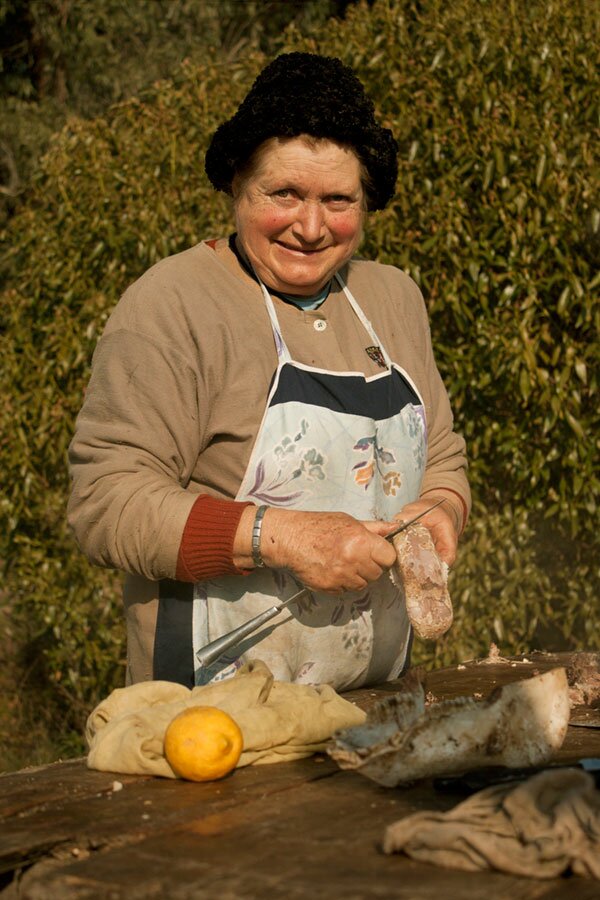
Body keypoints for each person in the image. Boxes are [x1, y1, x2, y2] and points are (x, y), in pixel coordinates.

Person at [68, 52, 470, 691]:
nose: (311, 228)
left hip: (373, 702)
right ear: (236, 184)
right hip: (211, 716)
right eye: (283, 194)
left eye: (338, 200)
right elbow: (106, 501)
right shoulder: (173, 304)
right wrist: (280, 537)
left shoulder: (393, 299)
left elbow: (441, 449)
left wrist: (442, 508)